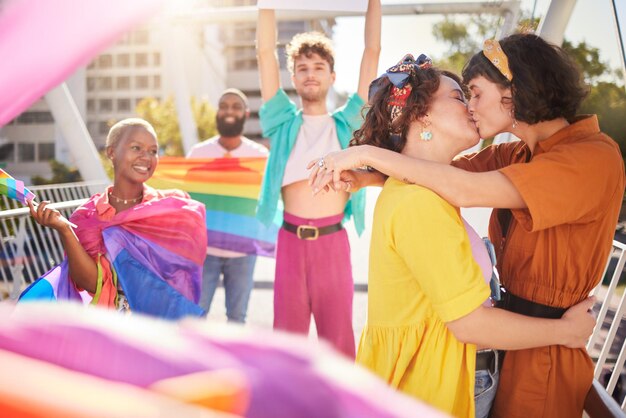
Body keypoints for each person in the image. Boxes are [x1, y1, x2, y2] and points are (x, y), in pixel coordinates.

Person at [309, 34, 625, 418]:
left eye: (473, 93)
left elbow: (463, 185)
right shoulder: (517, 155)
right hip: (505, 344)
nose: (472, 107)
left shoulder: (589, 159)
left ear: (517, 89)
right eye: (463, 96)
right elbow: (440, 174)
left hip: (541, 352)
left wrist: (364, 155)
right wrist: (368, 177)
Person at [255, 0, 381, 357]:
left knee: (338, 342)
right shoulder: (282, 121)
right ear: (293, 77)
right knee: (287, 344)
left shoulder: (348, 122)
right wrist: (266, 5)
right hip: (291, 242)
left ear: (332, 76)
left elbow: (372, 51)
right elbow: (266, 53)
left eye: (319, 67)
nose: (311, 73)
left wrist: (374, 2)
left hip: (332, 243)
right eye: (302, 68)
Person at [24, 118, 207, 319]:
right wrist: (64, 230)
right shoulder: (86, 218)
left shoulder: (172, 206)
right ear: (111, 152)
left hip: (163, 326)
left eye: (153, 151)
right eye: (136, 148)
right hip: (114, 325)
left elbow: (186, 273)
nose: (146, 157)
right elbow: (92, 284)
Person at [187, 88, 269, 323]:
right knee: (195, 314)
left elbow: (268, 202)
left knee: (237, 317)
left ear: (245, 113)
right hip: (205, 252)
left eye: (235, 106)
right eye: (224, 106)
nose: (229, 111)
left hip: (243, 251)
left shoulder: (260, 156)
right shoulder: (198, 153)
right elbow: (186, 200)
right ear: (217, 112)